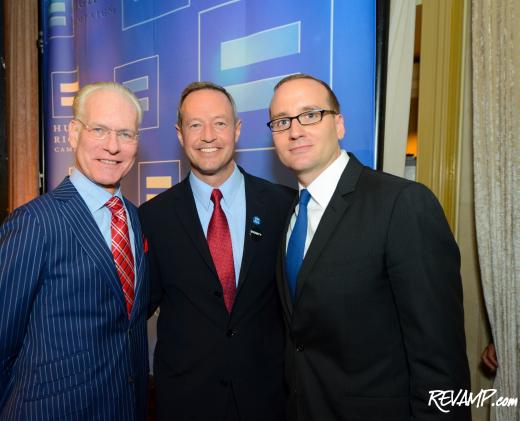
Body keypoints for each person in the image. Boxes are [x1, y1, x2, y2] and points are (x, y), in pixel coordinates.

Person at [268, 74, 471, 420]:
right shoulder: (290, 215)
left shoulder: (402, 205)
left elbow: (441, 360)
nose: (295, 130)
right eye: (282, 121)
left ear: (340, 124)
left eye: (310, 114)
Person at [0, 82, 149, 420]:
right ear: (74, 133)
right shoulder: (34, 223)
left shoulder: (133, 218)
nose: (113, 146)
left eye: (126, 134)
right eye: (99, 130)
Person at [139, 81, 294, 421]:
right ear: (180, 134)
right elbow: (137, 310)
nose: (208, 136)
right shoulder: (152, 217)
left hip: (268, 400)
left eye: (220, 123)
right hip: (186, 402)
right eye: (195, 124)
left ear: (237, 130)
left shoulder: (284, 206)